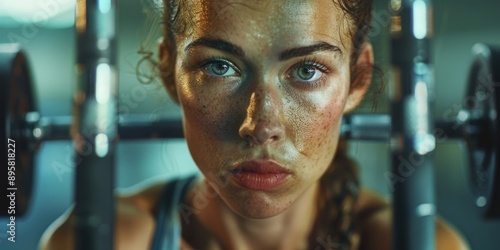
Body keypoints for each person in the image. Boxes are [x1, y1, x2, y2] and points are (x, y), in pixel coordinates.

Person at [40, 0, 469, 249]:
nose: (261, 125)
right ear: (170, 70)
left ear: (357, 79)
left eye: (306, 71)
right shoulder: (114, 239)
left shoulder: (413, 241)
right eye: (220, 66)